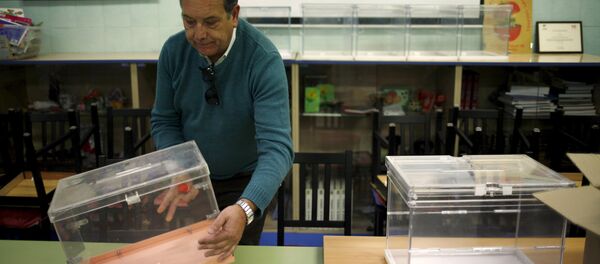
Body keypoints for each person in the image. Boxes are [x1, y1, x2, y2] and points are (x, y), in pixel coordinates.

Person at [150, 0, 293, 261]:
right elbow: (164, 121)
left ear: (234, 14)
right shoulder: (173, 51)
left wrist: (245, 208)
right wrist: (183, 168)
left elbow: (277, 149)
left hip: (245, 183)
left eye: (211, 22)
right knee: (187, 255)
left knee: (229, 256)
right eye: (189, 22)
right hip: (190, 180)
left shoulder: (262, 59)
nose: (199, 34)